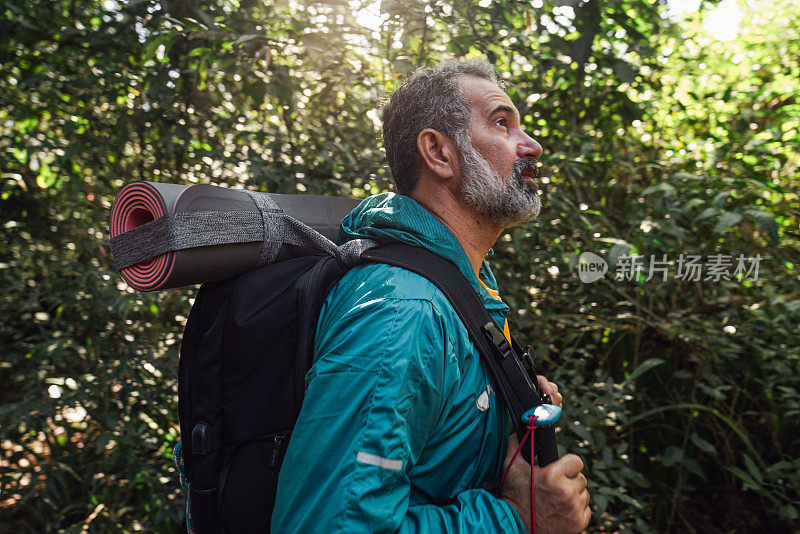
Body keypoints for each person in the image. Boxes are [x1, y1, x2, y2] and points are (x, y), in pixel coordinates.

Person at [272, 58, 591, 533]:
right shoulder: (403, 312)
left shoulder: (460, 286)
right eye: (502, 124)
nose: (532, 146)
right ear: (439, 153)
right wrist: (518, 518)